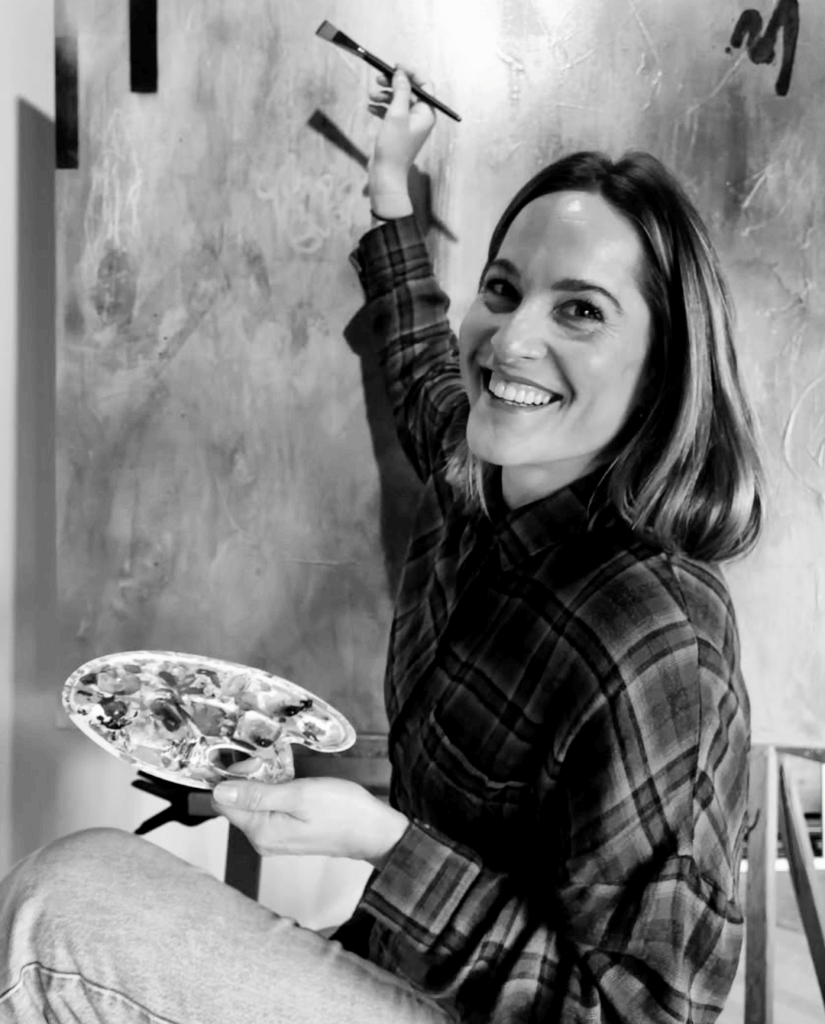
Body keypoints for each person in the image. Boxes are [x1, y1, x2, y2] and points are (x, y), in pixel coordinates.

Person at [0, 66, 762, 1024]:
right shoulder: (476, 477)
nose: (508, 342)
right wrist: (389, 184)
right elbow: (419, 360)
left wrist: (383, 845)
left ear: (662, 369)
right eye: (501, 290)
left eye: (579, 310)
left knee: (61, 905)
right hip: (391, 966)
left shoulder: (654, 639)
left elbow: (640, 1015)